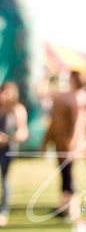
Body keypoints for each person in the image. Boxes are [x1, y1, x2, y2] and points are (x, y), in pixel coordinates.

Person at [41, 70, 86, 226]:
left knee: (69, 176)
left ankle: (73, 210)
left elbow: (80, 121)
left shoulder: (79, 96)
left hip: (70, 142)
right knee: (64, 174)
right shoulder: (66, 95)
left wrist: (74, 143)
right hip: (61, 141)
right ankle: (64, 207)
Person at [0, 81, 28, 227]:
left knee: (5, 178)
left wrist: (8, 138)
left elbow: (22, 132)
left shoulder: (17, 109)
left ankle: (3, 210)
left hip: (8, 149)